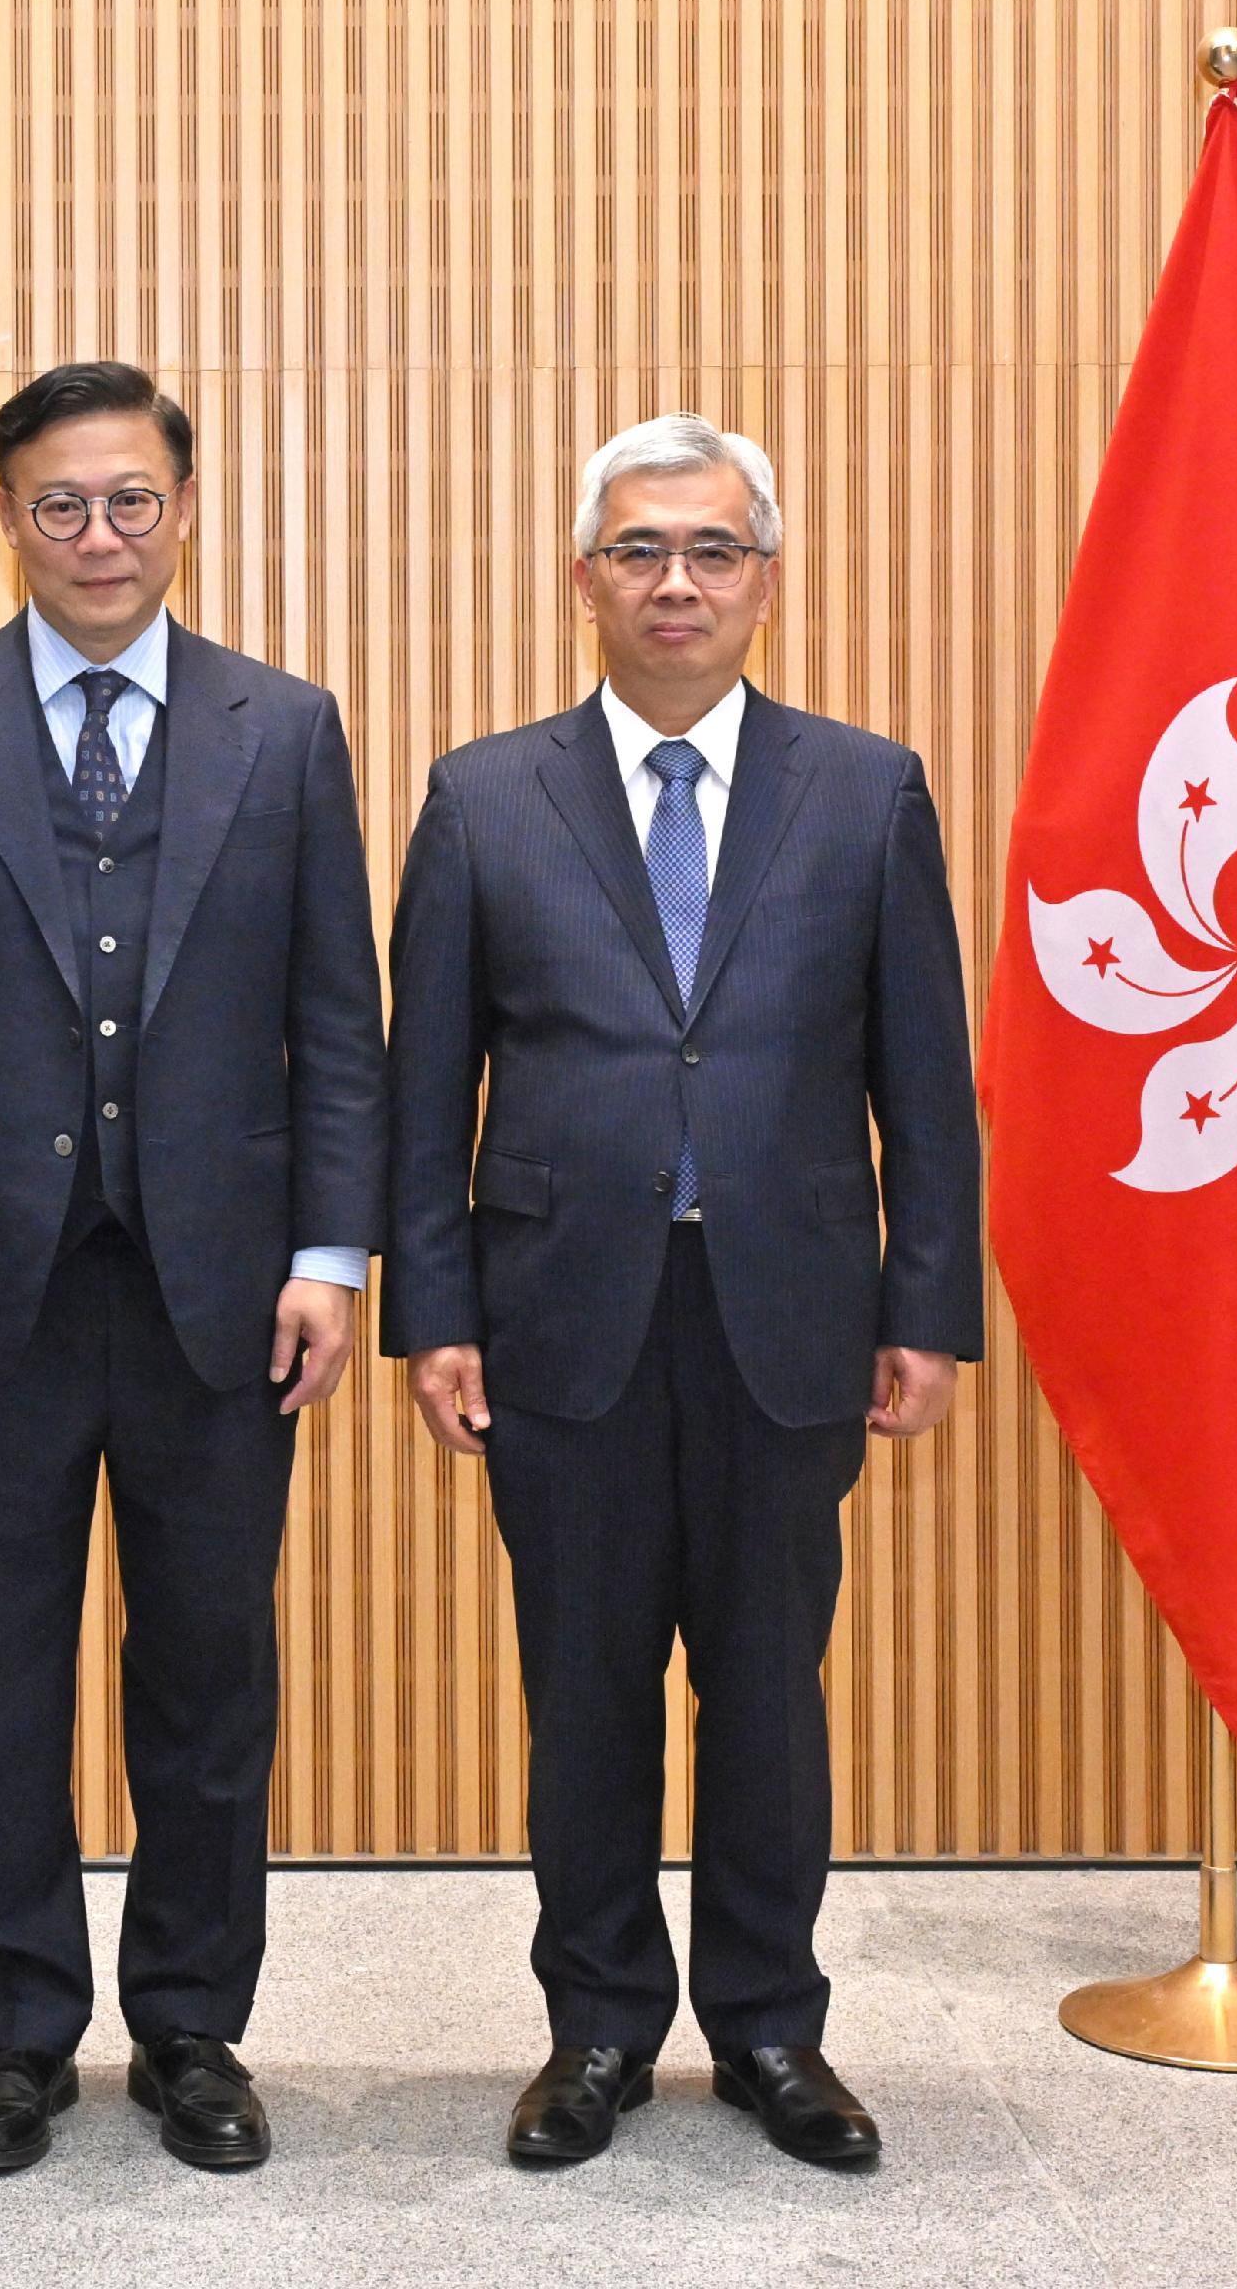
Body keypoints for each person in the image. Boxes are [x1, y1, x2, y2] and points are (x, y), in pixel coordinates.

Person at [0, 360, 386, 2177]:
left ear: (185, 507)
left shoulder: (283, 729)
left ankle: (194, 2024)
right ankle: (13, 2038)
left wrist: (333, 1255)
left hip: (227, 1294)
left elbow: (336, 1027)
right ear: (9, 517)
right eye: (61, 504)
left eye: (132, 499)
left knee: (210, 1672)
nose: (100, 535)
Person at [381, 412, 982, 2173]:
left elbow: (924, 1081)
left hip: (790, 1319)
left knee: (769, 1689)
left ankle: (774, 2032)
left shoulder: (866, 789)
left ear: (766, 583)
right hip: (559, 1317)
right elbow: (429, 1090)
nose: (676, 582)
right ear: (582, 579)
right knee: (584, 1693)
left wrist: (926, 1305)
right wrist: (438, 1311)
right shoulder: (485, 795)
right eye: (639, 549)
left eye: (713, 550)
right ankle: (597, 2033)